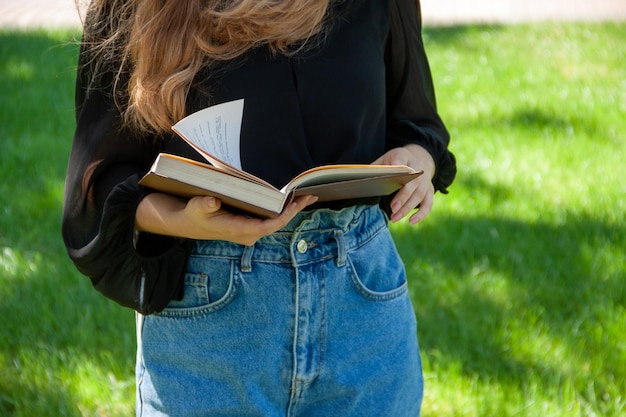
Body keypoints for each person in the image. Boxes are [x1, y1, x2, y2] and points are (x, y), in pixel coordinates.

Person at [62, 0, 456, 415]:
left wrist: (417, 160)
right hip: (210, 314)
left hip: (362, 309)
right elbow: (102, 181)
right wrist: (187, 220)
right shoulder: (134, 6)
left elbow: (418, 125)